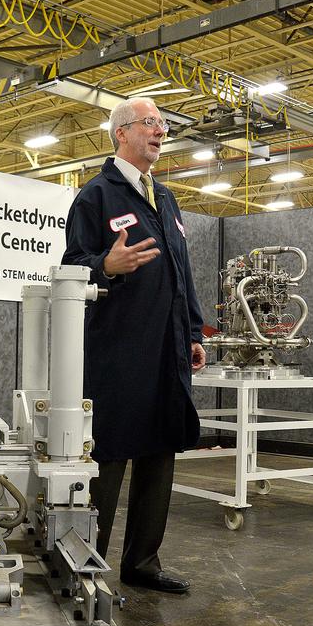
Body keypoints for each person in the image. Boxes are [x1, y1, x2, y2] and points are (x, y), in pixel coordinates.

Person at [61, 96, 206, 594]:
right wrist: (105, 266)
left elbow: (181, 271)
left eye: (163, 124)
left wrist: (191, 331)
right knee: (110, 455)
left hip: (167, 347)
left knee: (160, 449)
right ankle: (87, 565)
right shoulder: (95, 197)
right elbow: (71, 266)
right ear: (121, 132)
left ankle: (142, 561)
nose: (160, 132)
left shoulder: (164, 198)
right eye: (150, 123)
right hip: (119, 348)